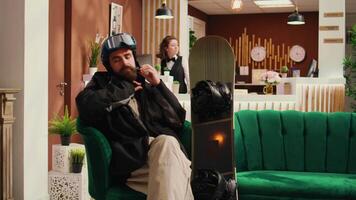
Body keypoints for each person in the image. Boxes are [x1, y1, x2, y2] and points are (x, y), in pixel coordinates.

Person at [76, 33, 194, 200]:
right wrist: (125, 89)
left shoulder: (148, 86)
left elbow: (178, 119)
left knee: (170, 156)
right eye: (117, 60)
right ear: (109, 65)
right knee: (169, 148)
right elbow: (86, 106)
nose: (124, 62)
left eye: (127, 56)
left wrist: (158, 85)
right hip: (134, 164)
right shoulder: (102, 83)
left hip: (165, 159)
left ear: (134, 57)